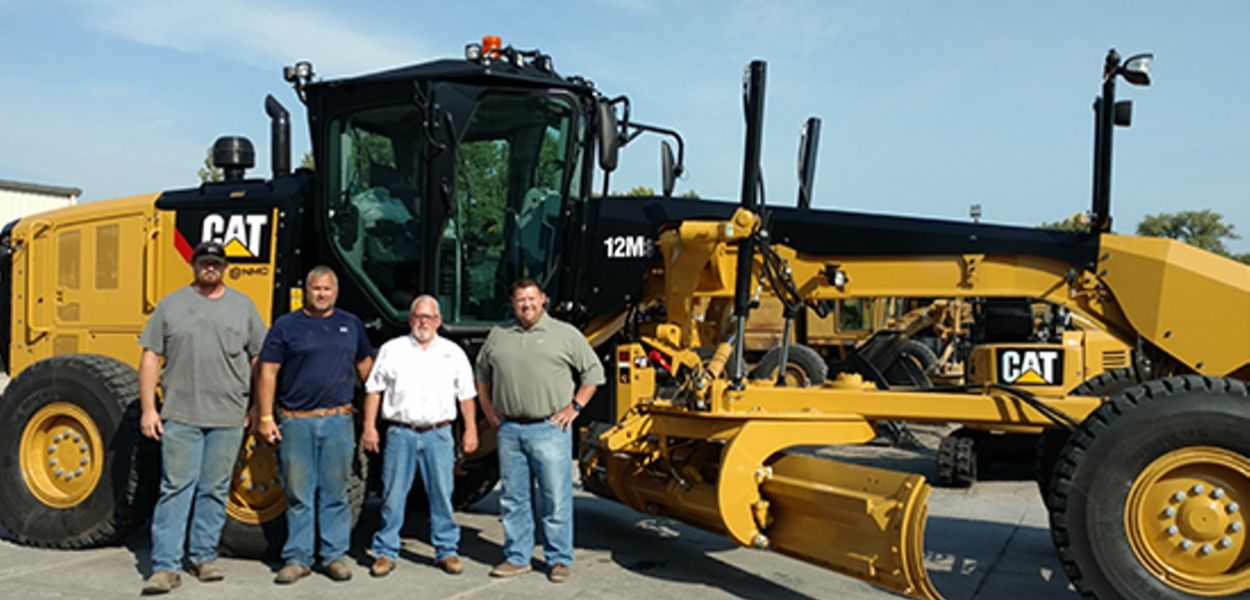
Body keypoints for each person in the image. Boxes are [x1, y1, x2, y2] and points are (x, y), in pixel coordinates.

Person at [138, 240, 267, 595]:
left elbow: (260, 359)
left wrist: (259, 407)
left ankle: (203, 556)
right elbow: (150, 357)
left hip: (228, 417)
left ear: (225, 268)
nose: (210, 268)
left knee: (215, 489)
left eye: (216, 263)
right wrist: (149, 409)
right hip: (180, 416)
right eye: (204, 262)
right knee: (175, 489)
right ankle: (165, 566)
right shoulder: (171, 305)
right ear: (193, 265)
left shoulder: (243, 307)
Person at [475, 278, 604, 583]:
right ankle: (517, 557)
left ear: (543, 299)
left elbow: (594, 373)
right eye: (521, 300)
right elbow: (482, 373)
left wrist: (575, 408)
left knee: (555, 498)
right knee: (513, 498)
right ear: (513, 303)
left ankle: (558, 559)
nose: (527, 305)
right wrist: (488, 409)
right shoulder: (499, 335)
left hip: (550, 429)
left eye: (532, 299)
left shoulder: (565, 334)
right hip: (510, 430)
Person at [255, 266, 373, 584]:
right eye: (316, 289)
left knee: (334, 492)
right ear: (307, 291)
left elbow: (366, 366)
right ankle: (297, 558)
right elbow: (268, 372)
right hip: (297, 422)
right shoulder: (287, 326)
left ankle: (333, 556)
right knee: (298, 494)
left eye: (327, 289)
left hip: (338, 420)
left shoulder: (350, 324)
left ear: (336, 292)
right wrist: (265, 417)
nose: (322, 294)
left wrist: (376, 409)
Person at [362, 295, 479, 578]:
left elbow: (466, 396)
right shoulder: (392, 350)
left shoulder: (453, 353)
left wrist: (472, 429)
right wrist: (369, 426)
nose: (423, 322)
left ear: (438, 321)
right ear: (410, 319)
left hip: (438, 434)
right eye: (418, 316)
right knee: (392, 494)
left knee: (441, 494)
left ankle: (447, 550)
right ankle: (385, 552)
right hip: (400, 432)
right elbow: (374, 390)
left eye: (429, 317)